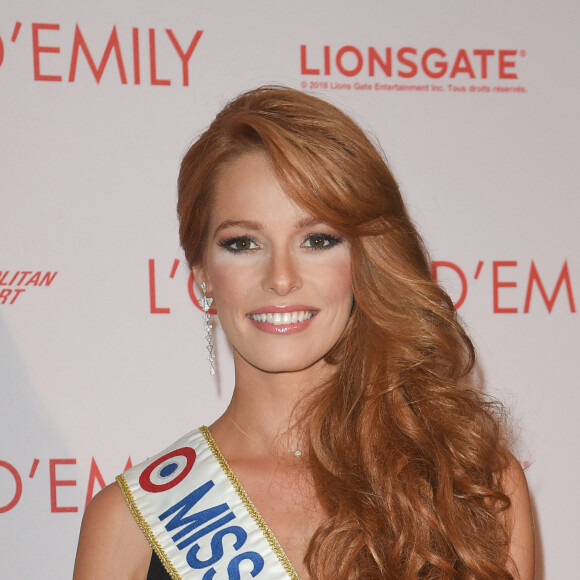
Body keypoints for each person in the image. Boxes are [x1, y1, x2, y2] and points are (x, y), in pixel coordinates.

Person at [73, 86, 534, 579]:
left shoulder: (470, 485)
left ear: (363, 258)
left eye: (317, 239)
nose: (281, 277)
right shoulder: (127, 524)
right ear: (202, 274)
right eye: (243, 243)